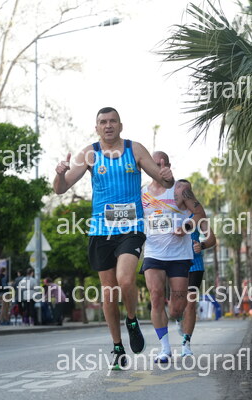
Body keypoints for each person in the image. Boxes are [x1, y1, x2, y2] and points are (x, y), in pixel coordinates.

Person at [53, 107, 174, 370]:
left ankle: (131, 319)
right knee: (108, 292)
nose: (108, 125)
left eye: (112, 121)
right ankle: (118, 347)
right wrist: (60, 173)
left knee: (125, 279)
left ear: (120, 125)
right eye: (103, 122)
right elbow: (61, 188)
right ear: (96, 127)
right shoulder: (90, 154)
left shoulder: (135, 149)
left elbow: (164, 182)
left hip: (132, 228)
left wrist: (168, 177)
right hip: (100, 231)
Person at [140, 152, 211, 363]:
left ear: (169, 165)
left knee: (177, 308)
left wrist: (186, 227)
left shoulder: (180, 190)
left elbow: (200, 214)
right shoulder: (141, 192)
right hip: (153, 253)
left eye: (163, 163)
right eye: (154, 164)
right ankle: (165, 349)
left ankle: (179, 319)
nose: (159, 167)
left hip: (179, 256)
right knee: (155, 296)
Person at [173, 178, 216, 357]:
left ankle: (186, 344)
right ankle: (178, 317)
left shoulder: (198, 216)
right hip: (175, 263)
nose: (184, 195)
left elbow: (212, 239)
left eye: (187, 191)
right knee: (177, 306)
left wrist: (202, 245)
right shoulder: (171, 213)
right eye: (180, 190)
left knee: (191, 303)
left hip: (195, 264)